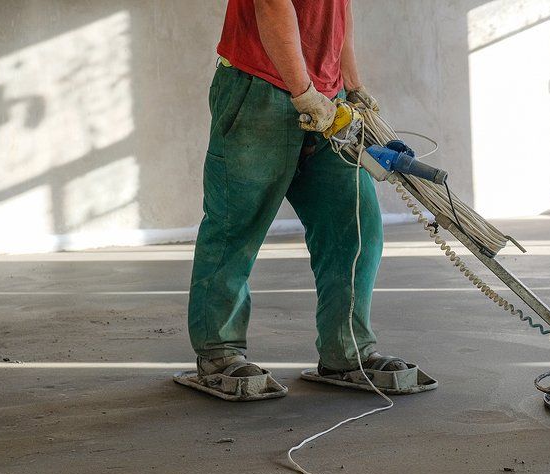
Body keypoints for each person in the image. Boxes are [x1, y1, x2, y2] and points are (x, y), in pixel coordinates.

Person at [185, 0, 432, 399]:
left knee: (354, 226)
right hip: (258, 91)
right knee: (236, 226)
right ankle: (219, 353)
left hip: (330, 100)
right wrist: (303, 93)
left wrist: (354, 87)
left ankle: (347, 353)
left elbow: (338, 15)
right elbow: (271, 5)